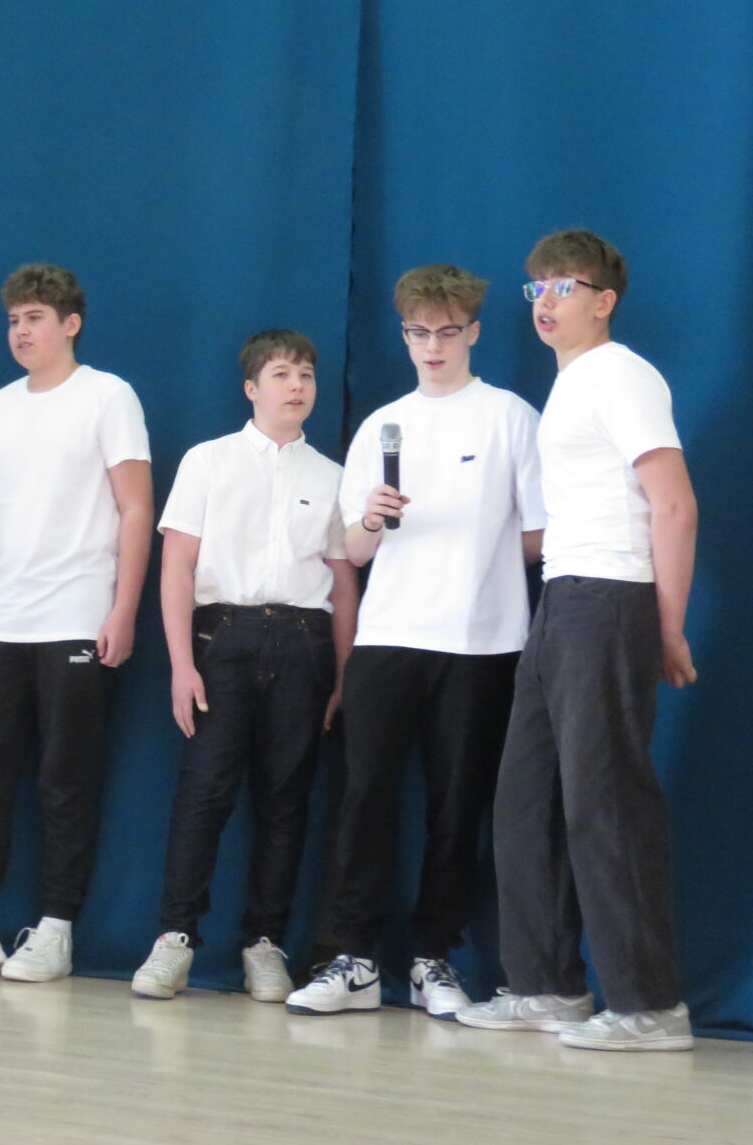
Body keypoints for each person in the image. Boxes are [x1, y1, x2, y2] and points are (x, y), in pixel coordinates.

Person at [457, 231, 699, 1052]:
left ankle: (649, 1005)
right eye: (538, 289)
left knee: (605, 802)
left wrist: (666, 625)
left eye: (566, 286)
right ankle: (546, 986)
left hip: (611, 597)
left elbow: (674, 504)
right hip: (562, 599)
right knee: (526, 798)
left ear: (604, 301)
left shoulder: (622, 375)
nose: (547, 302)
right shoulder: (571, 384)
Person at [287, 265, 543, 1018]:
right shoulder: (382, 426)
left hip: (480, 640)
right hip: (389, 635)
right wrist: (371, 516)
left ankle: (435, 956)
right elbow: (355, 551)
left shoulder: (509, 417)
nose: (432, 346)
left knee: (458, 806)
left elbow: (540, 535)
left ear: (473, 333)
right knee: (363, 796)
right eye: (418, 332)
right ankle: (354, 959)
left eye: (446, 332)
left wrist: (480, 551)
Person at [0, 263, 152, 984]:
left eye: (35, 318)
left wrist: (123, 609)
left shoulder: (108, 396)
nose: (20, 331)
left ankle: (55, 930)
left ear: (70, 324)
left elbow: (136, 508)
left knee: (65, 779)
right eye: (13, 319)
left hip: (76, 613)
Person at [131, 330, 356, 1004]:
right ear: (252, 388)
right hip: (223, 637)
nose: (297, 386)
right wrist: (181, 664)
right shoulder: (208, 461)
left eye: (306, 375)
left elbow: (343, 584)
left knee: (286, 800)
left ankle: (265, 942)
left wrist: (343, 674)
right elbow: (177, 566)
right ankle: (175, 937)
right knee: (205, 793)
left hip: (305, 641)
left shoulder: (332, 476)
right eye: (282, 374)